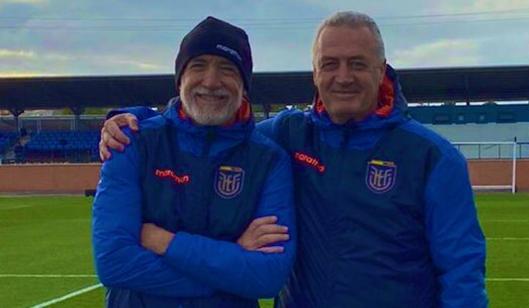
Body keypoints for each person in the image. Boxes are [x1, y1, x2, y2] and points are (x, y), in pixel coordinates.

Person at [99, 11, 488, 308]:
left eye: (357, 63)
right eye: (330, 64)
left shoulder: (433, 157)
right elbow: (210, 126)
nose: (343, 76)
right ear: (315, 73)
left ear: (381, 70)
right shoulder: (286, 135)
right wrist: (134, 119)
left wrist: (166, 243)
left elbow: (462, 272)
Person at [92, 16, 296, 308]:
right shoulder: (131, 142)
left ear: (244, 85)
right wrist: (230, 263)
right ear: (180, 79)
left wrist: (165, 243)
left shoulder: (269, 160)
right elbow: (114, 263)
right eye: (198, 66)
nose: (211, 81)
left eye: (227, 69)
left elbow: (267, 277)